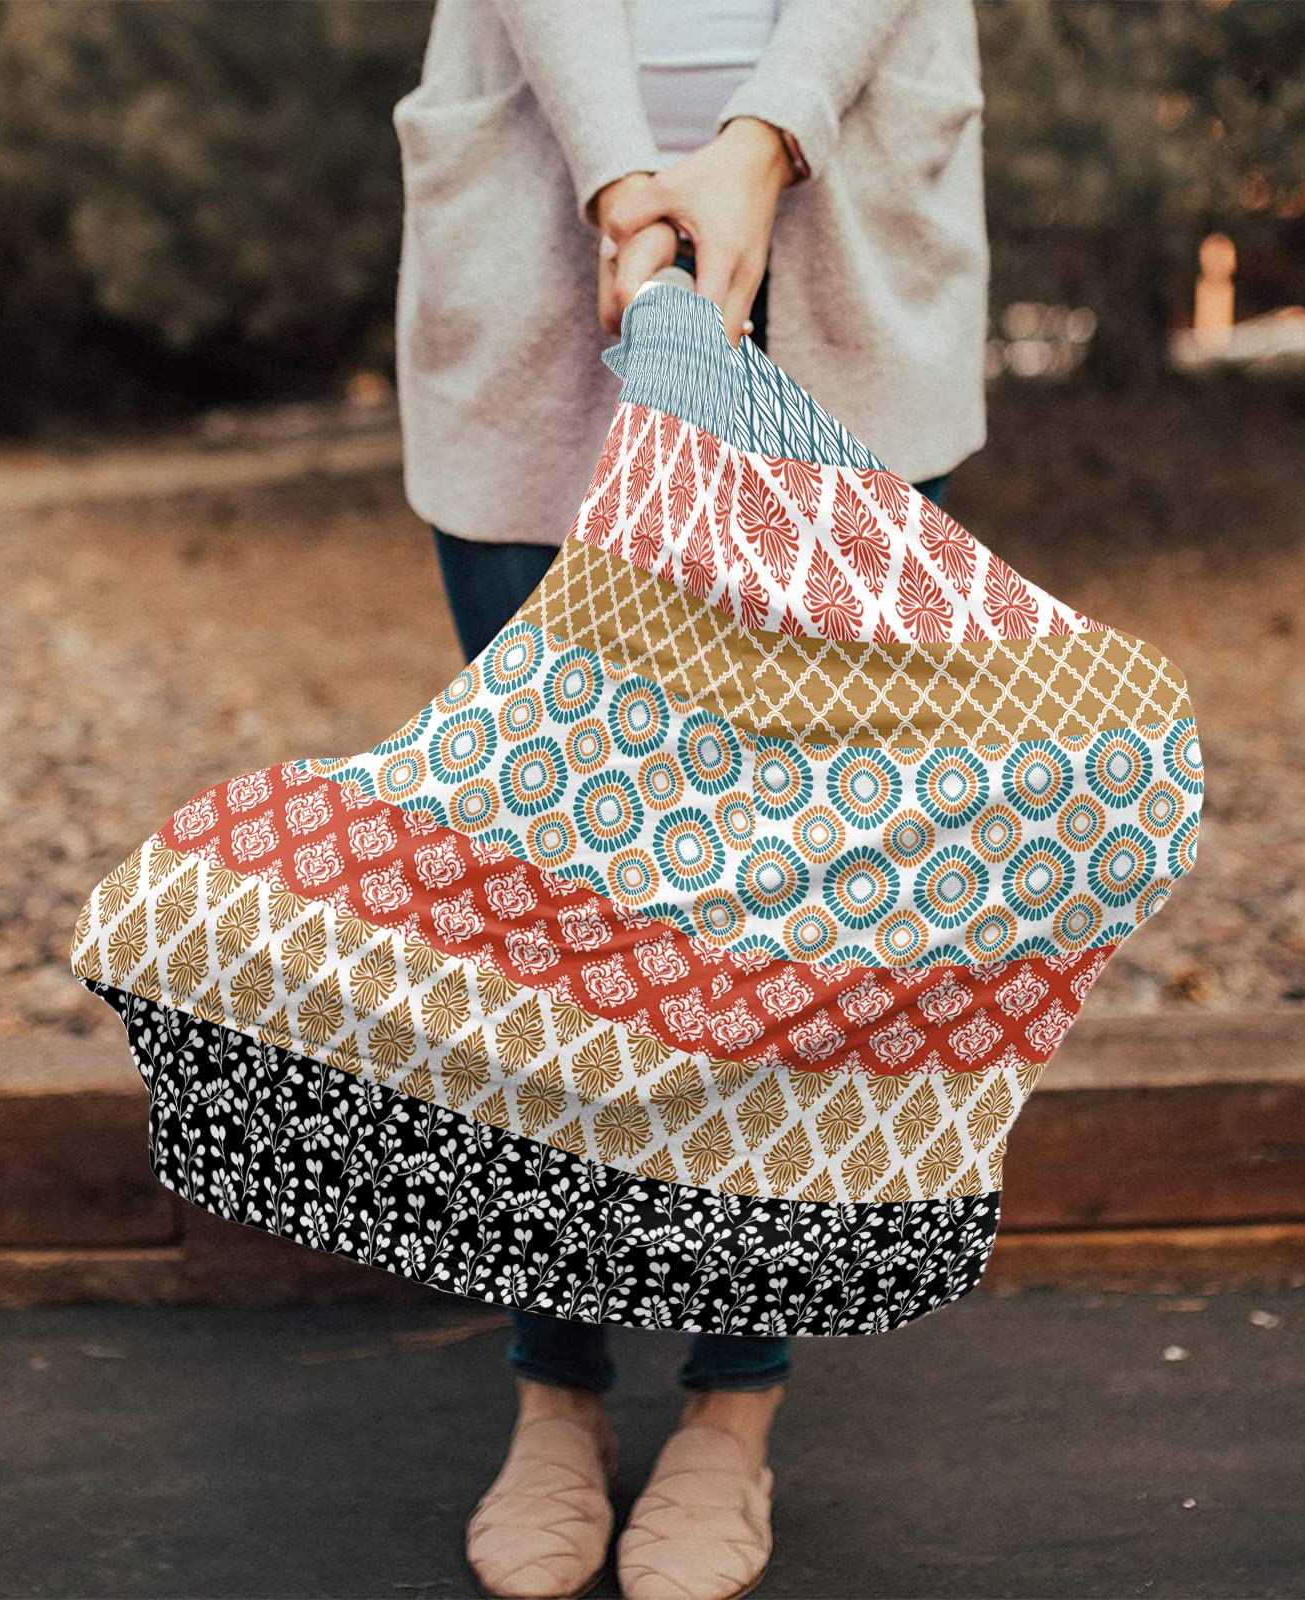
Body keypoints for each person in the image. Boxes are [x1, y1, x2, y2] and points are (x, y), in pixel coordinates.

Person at [392, 4, 988, 1596]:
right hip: (540, 219)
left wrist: (762, 137)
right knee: (543, 889)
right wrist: (619, 178)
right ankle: (555, 1388)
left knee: (791, 885)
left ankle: (735, 1404)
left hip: (842, 220)